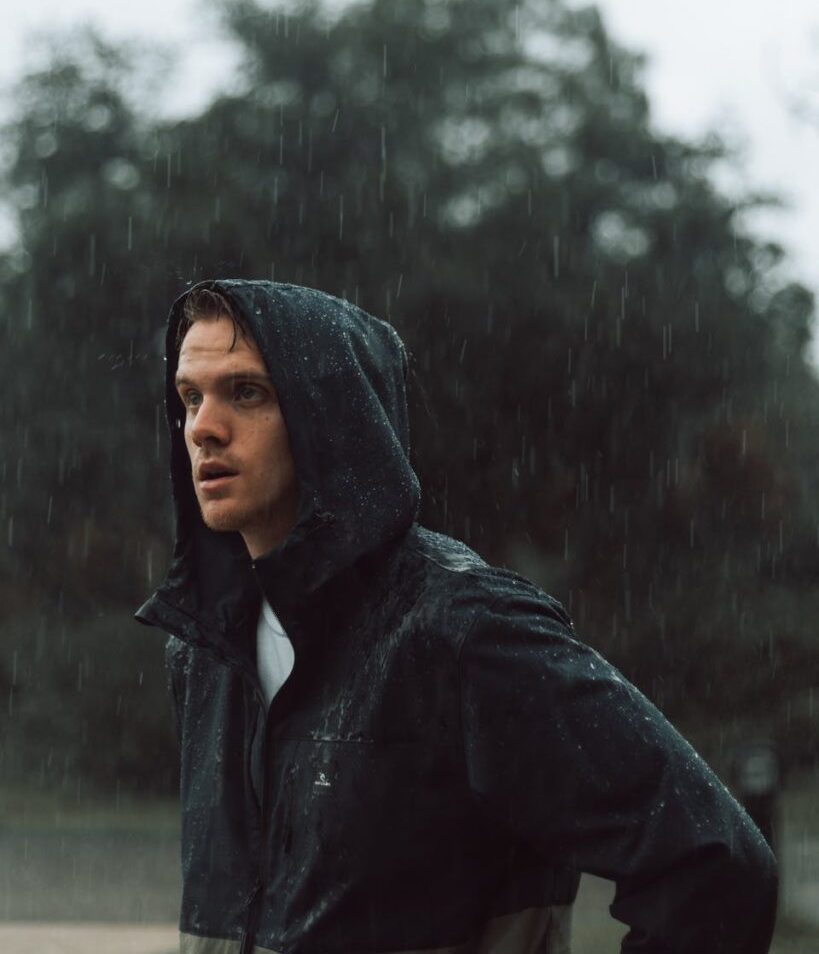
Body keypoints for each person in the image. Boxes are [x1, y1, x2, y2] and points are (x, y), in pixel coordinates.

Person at [137, 278, 777, 954]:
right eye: (189, 397)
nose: (202, 426)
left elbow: (715, 868)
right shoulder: (205, 646)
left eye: (247, 393)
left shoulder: (464, 630)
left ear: (333, 416)